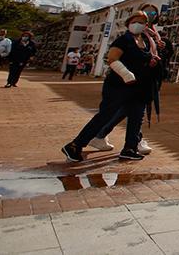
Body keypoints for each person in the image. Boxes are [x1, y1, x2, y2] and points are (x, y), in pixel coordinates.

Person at [61, 13, 156, 162]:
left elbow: (144, 59)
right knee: (105, 116)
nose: (138, 24)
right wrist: (126, 74)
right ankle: (75, 145)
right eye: (135, 21)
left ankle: (130, 148)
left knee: (137, 117)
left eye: (142, 22)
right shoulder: (123, 40)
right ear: (128, 22)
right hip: (119, 85)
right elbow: (112, 59)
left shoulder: (143, 41)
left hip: (139, 87)